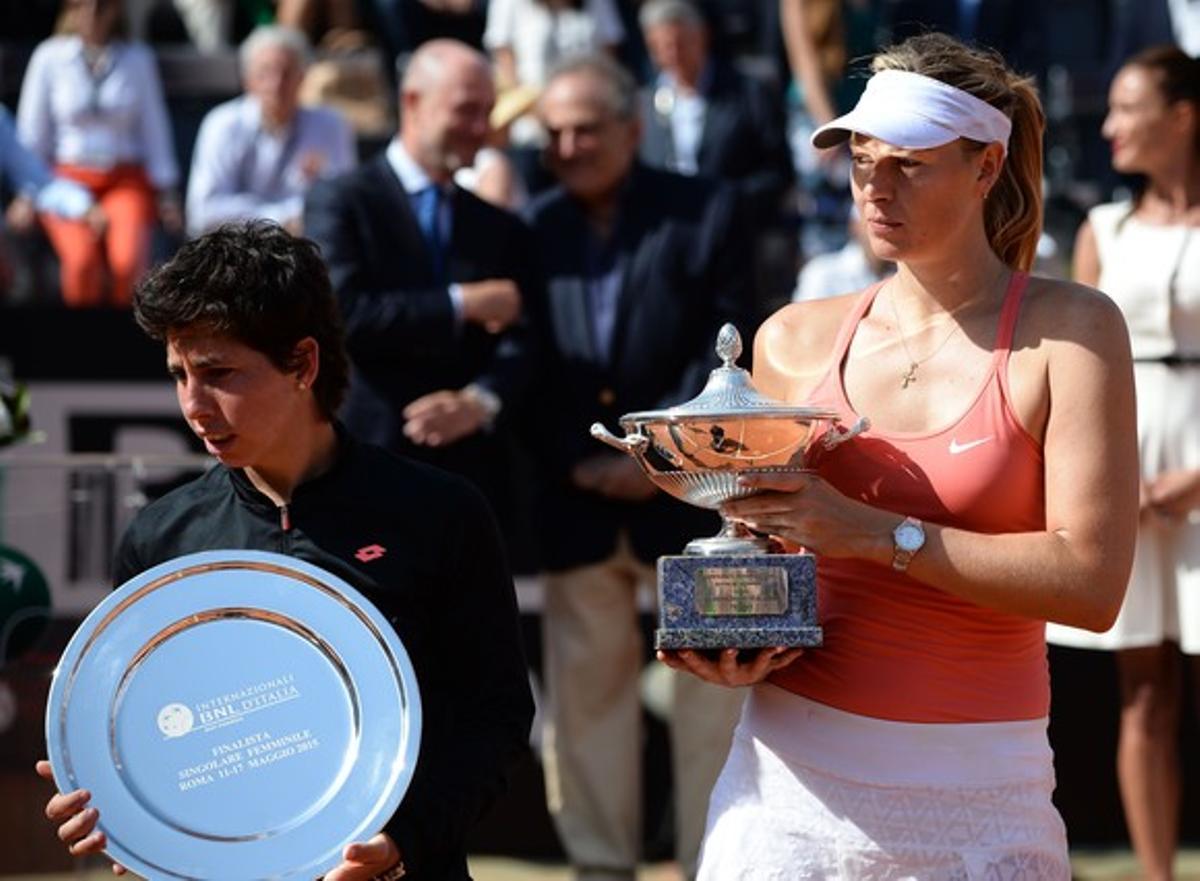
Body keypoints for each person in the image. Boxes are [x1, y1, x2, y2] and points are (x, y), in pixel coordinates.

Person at [654, 32, 1140, 879]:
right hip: (783, 792)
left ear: (986, 166)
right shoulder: (792, 338)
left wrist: (879, 534)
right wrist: (733, 638)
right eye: (861, 160)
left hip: (987, 794)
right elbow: (768, 553)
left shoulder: (1076, 329)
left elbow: (1092, 586)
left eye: (908, 164)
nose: (875, 187)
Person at [34, 220, 535, 881]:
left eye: (218, 373)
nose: (193, 404)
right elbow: (158, 740)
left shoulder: (441, 513)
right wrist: (124, 814)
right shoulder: (162, 539)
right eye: (179, 373)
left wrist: (403, 840)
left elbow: (494, 720)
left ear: (303, 363)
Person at [522, 53, 750, 881]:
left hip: (695, 506)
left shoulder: (706, 211)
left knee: (711, 700)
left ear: (631, 127)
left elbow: (727, 351)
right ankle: (599, 865)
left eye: (586, 127)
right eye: (554, 131)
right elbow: (527, 363)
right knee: (586, 706)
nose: (570, 144)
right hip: (577, 504)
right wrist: (584, 461)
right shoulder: (534, 226)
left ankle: (713, 863)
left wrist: (656, 459)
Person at [1045, 45, 1200, 881]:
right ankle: (1158, 875)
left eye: (1128, 108)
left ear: (1183, 116)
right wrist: (1109, 477)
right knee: (1143, 689)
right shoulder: (1101, 231)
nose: (1108, 127)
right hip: (1133, 473)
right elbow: (1081, 372)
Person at [304, 39, 539, 567]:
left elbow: (526, 339)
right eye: (465, 109)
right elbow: (343, 314)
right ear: (413, 102)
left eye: (487, 111)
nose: (481, 126)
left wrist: (480, 401)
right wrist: (461, 303)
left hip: (468, 480)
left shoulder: (497, 226)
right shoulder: (343, 200)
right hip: (363, 463)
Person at [16, 0, 181, 307]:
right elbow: (32, 133)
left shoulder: (138, 59)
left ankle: (124, 346)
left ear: (115, 10)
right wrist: (27, 193)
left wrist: (166, 192)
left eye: (101, 6)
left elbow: (153, 128)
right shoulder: (48, 57)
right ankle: (81, 348)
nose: (91, 14)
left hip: (124, 179)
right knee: (81, 263)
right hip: (65, 180)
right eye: (81, 5)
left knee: (128, 262)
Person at [185, 24, 356, 237]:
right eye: (265, 72)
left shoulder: (331, 125)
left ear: (302, 78)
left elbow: (344, 202)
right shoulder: (222, 125)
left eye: (286, 73)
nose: (276, 84)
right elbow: (203, 212)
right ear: (247, 80)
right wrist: (281, 219)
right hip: (237, 251)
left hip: (308, 249)